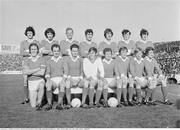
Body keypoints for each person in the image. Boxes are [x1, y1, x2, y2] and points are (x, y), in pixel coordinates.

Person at [20, 26, 40, 104]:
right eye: (28, 33)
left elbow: (38, 52)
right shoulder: (23, 42)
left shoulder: (36, 42)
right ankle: (26, 98)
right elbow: (21, 53)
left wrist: (27, 51)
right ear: (26, 34)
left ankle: (38, 97)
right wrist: (31, 52)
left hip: (35, 63)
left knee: (36, 79)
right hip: (26, 63)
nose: (29, 34)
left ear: (33, 33)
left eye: (30, 33)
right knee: (25, 81)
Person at [44, 44, 67, 111]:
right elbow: (47, 72)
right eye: (54, 51)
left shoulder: (63, 60)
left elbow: (66, 72)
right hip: (53, 80)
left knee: (62, 85)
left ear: (59, 51)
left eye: (57, 51)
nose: (56, 52)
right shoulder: (49, 61)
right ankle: (49, 104)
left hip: (60, 79)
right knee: (48, 84)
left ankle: (59, 104)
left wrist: (63, 80)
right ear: (52, 52)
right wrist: (48, 79)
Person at [23, 43, 46, 110]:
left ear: (37, 50)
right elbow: (25, 72)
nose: (33, 51)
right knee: (33, 105)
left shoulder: (41, 59)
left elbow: (42, 73)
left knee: (41, 85)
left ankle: (39, 103)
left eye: (35, 49)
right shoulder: (26, 60)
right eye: (32, 49)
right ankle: (40, 98)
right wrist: (37, 69)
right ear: (30, 50)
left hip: (40, 80)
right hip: (31, 82)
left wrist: (30, 72)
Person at [64, 44, 84, 109]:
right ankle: (68, 103)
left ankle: (84, 103)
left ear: (78, 51)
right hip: (70, 79)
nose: (75, 52)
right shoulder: (67, 59)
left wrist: (78, 80)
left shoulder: (81, 60)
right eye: (73, 51)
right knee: (67, 84)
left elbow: (82, 71)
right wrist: (71, 80)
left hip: (79, 79)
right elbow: (67, 71)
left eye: (76, 51)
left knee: (86, 83)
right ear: (71, 51)